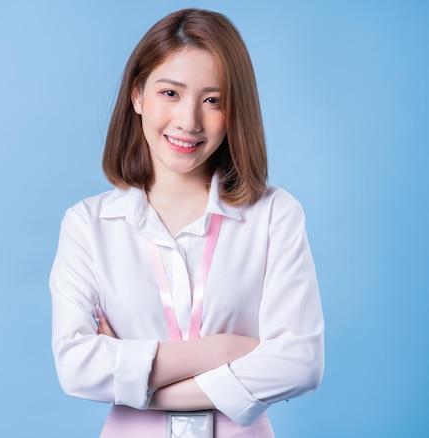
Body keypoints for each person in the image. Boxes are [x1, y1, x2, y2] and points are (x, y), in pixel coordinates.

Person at [50, 8, 324, 437]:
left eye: (213, 100)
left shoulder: (274, 215)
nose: (189, 121)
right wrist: (225, 350)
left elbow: (300, 363)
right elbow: (76, 367)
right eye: (170, 93)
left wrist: (139, 378)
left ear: (236, 112)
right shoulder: (88, 224)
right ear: (137, 95)